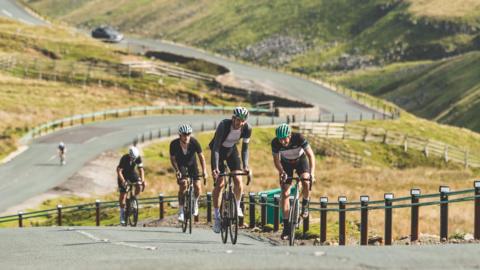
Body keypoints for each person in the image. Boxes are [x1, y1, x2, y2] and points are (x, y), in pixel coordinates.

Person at [210, 107, 252, 233]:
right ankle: (217, 217)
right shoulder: (224, 125)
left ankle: (237, 205)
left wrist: (245, 165)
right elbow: (216, 148)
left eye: (242, 121)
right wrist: (216, 168)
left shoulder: (247, 129)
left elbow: (245, 149)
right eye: (238, 120)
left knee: (238, 180)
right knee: (220, 183)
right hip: (218, 152)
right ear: (233, 118)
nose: (240, 123)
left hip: (231, 151)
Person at [271, 123, 315, 240]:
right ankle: (286, 227)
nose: (283, 141)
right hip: (285, 164)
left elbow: (310, 155)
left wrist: (312, 173)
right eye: (280, 139)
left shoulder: (299, 138)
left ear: (290, 135)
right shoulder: (275, 143)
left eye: (284, 138)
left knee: (306, 181)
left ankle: (305, 204)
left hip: (301, 161)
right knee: (285, 193)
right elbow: (276, 161)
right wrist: (282, 172)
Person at [170, 124, 208, 222]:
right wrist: (177, 171)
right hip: (181, 164)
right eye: (184, 134)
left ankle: (195, 203)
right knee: (183, 184)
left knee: (198, 186)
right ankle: (181, 211)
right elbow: (173, 159)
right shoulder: (174, 144)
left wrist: (204, 171)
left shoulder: (194, 142)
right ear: (180, 135)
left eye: (188, 134)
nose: (186, 136)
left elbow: (201, 157)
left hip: (192, 164)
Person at [117, 146, 146, 226]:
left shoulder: (138, 157)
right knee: (123, 195)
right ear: (129, 155)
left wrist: (143, 181)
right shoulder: (124, 158)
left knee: (139, 185)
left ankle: (133, 199)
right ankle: (122, 213)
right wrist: (123, 181)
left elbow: (141, 169)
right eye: (132, 158)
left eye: (135, 158)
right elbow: (119, 171)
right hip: (123, 175)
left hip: (131, 173)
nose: (134, 159)